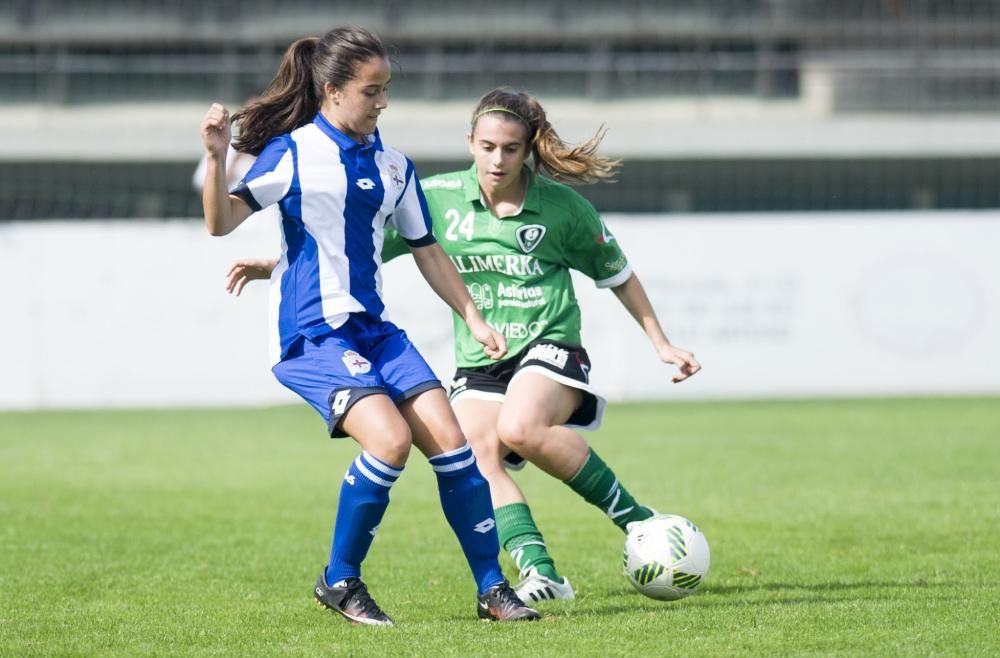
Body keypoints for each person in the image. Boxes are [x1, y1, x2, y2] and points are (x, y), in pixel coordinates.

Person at [226, 87, 701, 604]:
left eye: (511, 149)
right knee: (475, 454)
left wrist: (662, 343)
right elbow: (358, 246)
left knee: (520, 426)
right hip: (483, 360)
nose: (498, 159)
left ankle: (639, 523)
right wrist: (275, 266)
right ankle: (541, 574)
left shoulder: (564, 209)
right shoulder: (438, 197)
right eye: (488, 146)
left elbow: (620, 276)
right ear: (470, 142)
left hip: (551, 345)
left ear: (528, 150)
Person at [200, 28, 540, 626]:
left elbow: (426, 249)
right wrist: (214, 155)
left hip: (376, 332)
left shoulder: (393, 164)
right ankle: (338, 580)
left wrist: (473, 315)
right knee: (390, 440)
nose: (382, 101)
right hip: (316, 335)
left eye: (386, 90)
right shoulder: (295, 151)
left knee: (454, 445)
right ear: (332, 90)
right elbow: (221, 222)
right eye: (371, 90)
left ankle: (492, 590)